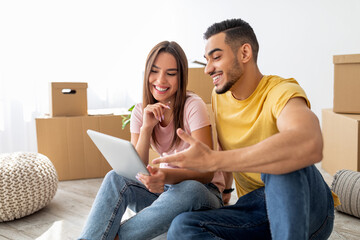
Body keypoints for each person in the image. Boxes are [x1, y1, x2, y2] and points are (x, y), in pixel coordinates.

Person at [153, 19, 340, 239]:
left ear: (244, 53)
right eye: (207, 60)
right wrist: (226, 191)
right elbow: (228, 146)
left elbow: (308, 143)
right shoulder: (219, 96)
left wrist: (213, 161)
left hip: (309, 207)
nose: (208, 69)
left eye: (216, 57)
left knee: (280, 160)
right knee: (183, 227)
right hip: (257, 208)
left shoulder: (281, 92)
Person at [78, 41, 225, 240]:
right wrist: (146, 128)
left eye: (171, 73)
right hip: (165, 194)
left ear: (181, 77)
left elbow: (207, 173)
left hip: (202, 195)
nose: (160, 80)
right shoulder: (141, 111)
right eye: (154, 71)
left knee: (190, 189)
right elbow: (134, 172)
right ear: (146, 73)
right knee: (115, 177)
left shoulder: (193, 106)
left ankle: (116, 237)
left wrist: (165, 176)